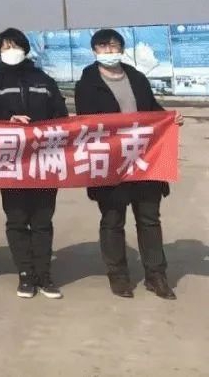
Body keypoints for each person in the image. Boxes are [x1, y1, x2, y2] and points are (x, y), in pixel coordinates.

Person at [74, 28, 181, 300]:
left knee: (149, 219)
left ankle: (156, 276)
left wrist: (169, 118)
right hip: (111, 163)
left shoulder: (136, 78)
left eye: (113, 46)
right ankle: (119, 276)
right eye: (103, 47)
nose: (109, 51)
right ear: (94, 51)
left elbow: (152, 109)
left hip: (144, 160)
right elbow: (87, 122)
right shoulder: (87, 84)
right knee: (113, 220)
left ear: (121, 49)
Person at [0, 27, 67, 300]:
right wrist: (7, 121)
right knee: (16, 219)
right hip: (10, 161)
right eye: (5, 47)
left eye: (14, 46)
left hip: (42, 160)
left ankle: (44, 275)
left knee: (42, 220)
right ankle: (25, 274)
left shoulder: (44, 80)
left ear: (25, 49)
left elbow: (61, 116)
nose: (10, 51)